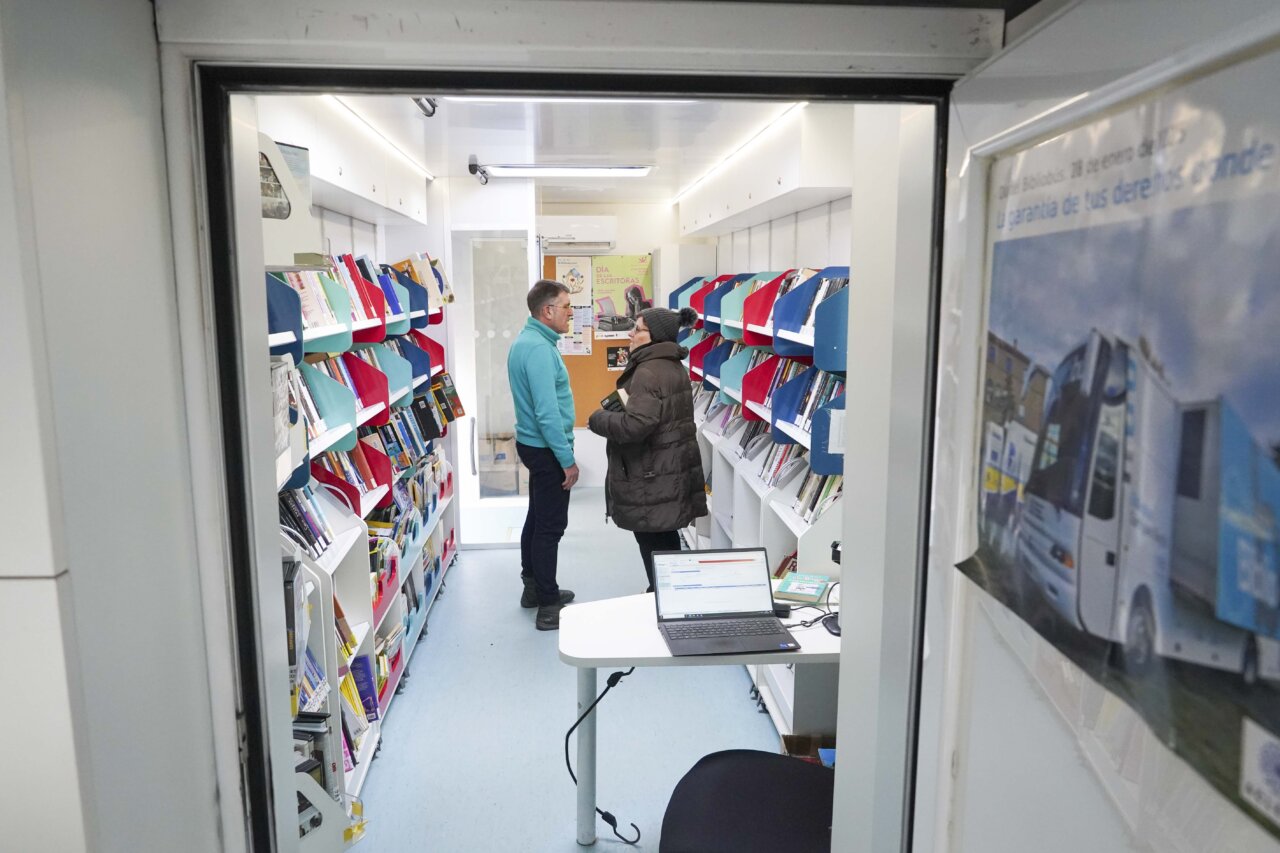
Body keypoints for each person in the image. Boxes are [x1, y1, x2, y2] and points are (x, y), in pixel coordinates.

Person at [588, 306, 707, 592]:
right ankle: (667, 594)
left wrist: (598, 418)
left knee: (653, 541)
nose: (631, 333)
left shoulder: (648, 371)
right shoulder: (669, 365)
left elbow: (637, 425)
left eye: (638, 329)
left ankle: (665, 597)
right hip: (666, 470)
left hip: (651, 473)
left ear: (654, 336)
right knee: (664, 539)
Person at [508, 279, 579, 630]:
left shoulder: (531, 341)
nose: (571, 312)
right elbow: (547, 413)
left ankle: (533, 589)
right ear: (547, 311)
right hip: (546, 449)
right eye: (566, 306)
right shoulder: (537, 349)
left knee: (537, 519)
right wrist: (567, 459)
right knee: (550, 527)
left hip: (535, 445)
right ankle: (548, 605)